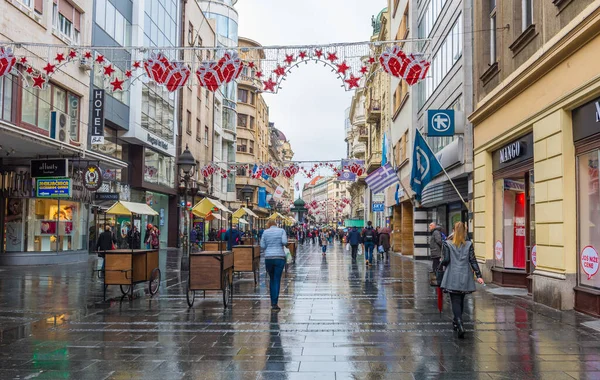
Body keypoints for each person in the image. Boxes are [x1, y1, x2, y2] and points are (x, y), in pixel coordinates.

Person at [440, 222, 484, 339]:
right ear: (464, 231)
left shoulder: (447, 243)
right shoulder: (469, 244)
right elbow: (472, 260)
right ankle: (456, 321)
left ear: (453, 230)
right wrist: (478, 275)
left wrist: (440, 264)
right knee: (461, 299)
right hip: (465, 274)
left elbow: (446, 260)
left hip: (452, 274)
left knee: (454, 300)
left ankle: (459, 322)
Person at [260, 220, 288, 312]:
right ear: (276, 225)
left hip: (269, 257)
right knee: (277, 279)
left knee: (271, 279)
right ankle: (275, 303)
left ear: (268, 225)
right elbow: (284, 242)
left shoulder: (265, 232)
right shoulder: (282, 231)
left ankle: (273, 302)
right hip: (279, 257)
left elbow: (262, 245)